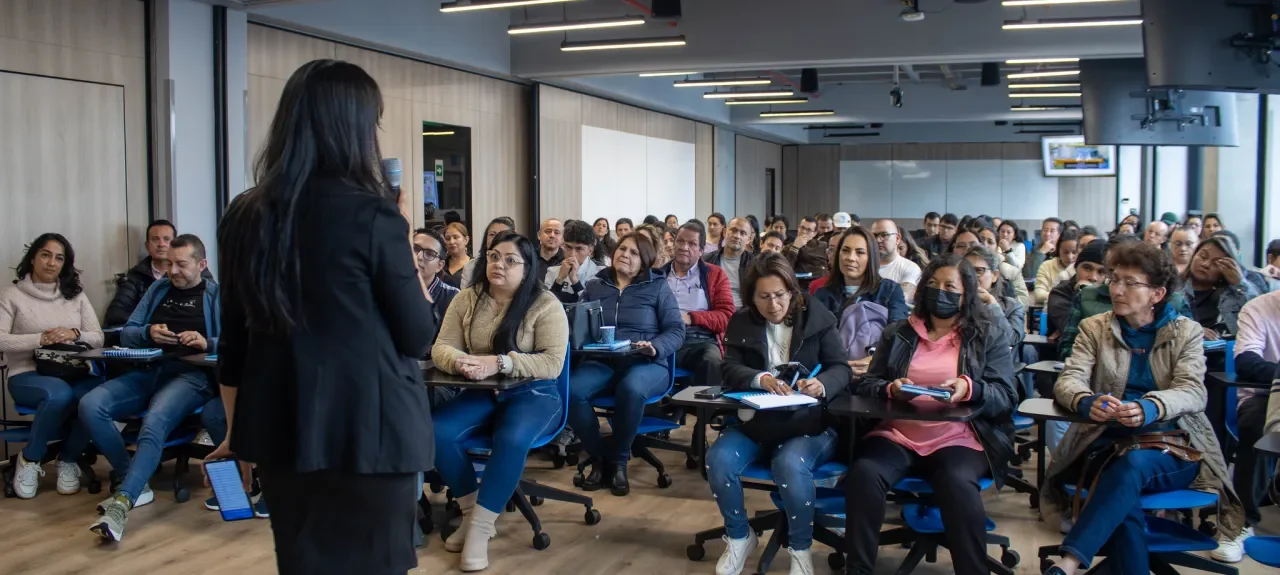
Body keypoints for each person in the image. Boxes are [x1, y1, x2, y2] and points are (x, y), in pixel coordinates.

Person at [211, 60, 435, 574]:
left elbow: (234, 345)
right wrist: (403, 239)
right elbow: (417, 335)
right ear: (354, 128)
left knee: (303, 563)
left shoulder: (245, 215)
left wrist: (233, 434)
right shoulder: (373, 215)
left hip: (280, 428)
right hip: (370, 431)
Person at [1041, 242, 1244, 575]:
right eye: (1114, 279)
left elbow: (1193, 391)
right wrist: (1088, 401)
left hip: (1174, 448)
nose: (1116, 289)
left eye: (1130, 282)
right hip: (1104, 442)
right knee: (1123, 487)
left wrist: (1150, 407)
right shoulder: (1096, 328)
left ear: (1157, 293)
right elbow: (1069, 380)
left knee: (1129, 467)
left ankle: (1069, 562)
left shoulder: (1186, 332)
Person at [846, 253, 1018, 575]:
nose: (941, 291)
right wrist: (890, 389)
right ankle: (857, 570)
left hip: (961, 437)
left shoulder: (987, 334)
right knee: (865, 472)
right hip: (898, 433)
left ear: (966, 293)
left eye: (950, 286)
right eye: (933, 284)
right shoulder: (899, 332)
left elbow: (1007, 395)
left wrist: (970, 388)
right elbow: (868, 383)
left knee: (956, 480)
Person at [707, 253, 852, 575]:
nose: (773, 304)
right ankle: (739, 536)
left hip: (810, 425)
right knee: (718, 459)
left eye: (780, 295)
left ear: (792, 292)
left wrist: (822, 383)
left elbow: (840, 368)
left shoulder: (818, 316)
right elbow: (729, 368)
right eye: (764, 297)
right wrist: (763, 379)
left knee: (789, 464)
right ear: (751, 298)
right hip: (758, 422)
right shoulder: (743, 320)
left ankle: (800, 549)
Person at [431, 232, 569, 572]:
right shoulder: (468, 298)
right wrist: (461, 362)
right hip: (482, 393)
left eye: (510, 260)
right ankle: (470, 510)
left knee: (510, 438)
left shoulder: (545, 303)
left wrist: (502, 362)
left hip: (535, 394)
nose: (499, 265)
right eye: (494, 256)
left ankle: (479, 530)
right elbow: (441, 347)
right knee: (436, 431)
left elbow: (552, 363)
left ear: (527, 267)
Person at [80, 234, 220, 541]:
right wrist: (148, 331)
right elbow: (126, 332)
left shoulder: (214, 295)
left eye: (182, 264)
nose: (174, 270)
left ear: (202, 264)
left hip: (191, 376)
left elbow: (237, 343)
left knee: (154, 421)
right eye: (170, 263)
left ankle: (122, 502)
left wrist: (206, 342)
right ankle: (135, 481)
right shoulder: (158, 289)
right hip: (148, 370)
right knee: (91, 405)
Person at [568, 234, 684, 496]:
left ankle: (619, 461)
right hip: (602, 360)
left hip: (646, 361)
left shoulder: (657, 287)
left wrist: (656, 347)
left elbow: (676, 331)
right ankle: (600, 457)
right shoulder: (596, 285)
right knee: (572, 392)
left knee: (631, 389)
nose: (625, 255)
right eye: (622, 249)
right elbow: (580, 327)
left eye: (634, 253)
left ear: (644, 262)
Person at [1, 233, 104, 499]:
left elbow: (97, 336)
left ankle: (68, 459)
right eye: (45, 255)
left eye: (59, 258)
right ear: (33, 257)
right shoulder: (11, 295)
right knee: (58, 394)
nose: (51, 262)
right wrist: (41, 339)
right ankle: (31, 459)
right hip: (26, 373)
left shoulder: (75, 295)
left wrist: (74, 333)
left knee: (96, 398)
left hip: (72, 370)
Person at [1211, 290, 1280, 561]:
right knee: (1256, 425)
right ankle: (1239, 524)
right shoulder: (1259, 307)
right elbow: (1247, 361)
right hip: (1263, 395)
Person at [812, 227, 910, 363]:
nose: (850, 258)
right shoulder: (822, 294)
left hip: (878, 367)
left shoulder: (890, 290)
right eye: (845, 250)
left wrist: (873, 360)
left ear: (871, 257)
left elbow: (898, 334)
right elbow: (815, 341)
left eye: (860, 252)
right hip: (834, 369)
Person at [662, 222, 734, 389]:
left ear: (702, 250)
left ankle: (707, 413)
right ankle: (658, 411)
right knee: (642, 360)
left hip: (699, 341)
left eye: (692, 244)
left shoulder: (715, 274)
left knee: (711, 360)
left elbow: (726, 316)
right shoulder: (659, 275)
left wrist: (691, 317)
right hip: (664, 338)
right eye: (680, 241)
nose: (684, 247)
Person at [104, 220, 212, 326]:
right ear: (147, 246)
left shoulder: (200, 274)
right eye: (155, 239)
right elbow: (115, 314)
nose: (161, 244)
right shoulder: (136, 275)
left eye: (167, 239)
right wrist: (150, 326)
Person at [1182, 235, 1259, 339]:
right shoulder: (1173, 288)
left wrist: (1239, 283)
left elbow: (1259, 316)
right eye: (1203, 256)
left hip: (1224, 352)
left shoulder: (1232, 293)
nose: (1206, 264)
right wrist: (1190, 330)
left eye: (1216, 263)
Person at [965, 246, 1025, 348]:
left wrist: (992, 305)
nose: (972, 276)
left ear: (995, 276)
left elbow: (1011, 340)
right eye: (967, 270)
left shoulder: (1012, 306)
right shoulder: (957, 302)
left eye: (979, 270)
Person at [1046, 240, 1107, 340]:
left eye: (1101, 272)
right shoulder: (1060, 293)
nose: (1093, 277)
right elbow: (1075, 331)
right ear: (1076, 267)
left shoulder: (1111, 294)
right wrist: (1084, 292)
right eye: (1087, 268)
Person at [414, 228, 461, 346]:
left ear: (440, 266)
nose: (419, 257)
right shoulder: (388, 290)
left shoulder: (454, 297)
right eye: (415, 249)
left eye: (429, 254)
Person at [545, 219, 603, 302]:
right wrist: (559, 279)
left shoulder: (601, 273)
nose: (572, 254)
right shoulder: (552, 271)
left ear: (590, 250)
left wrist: (575, 281)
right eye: (568, 247)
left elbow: (596, 307)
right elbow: (546, 306)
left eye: (579, 248)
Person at [704, 217, 756, 308]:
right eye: (733, 230)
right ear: (724, 232)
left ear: (749, 239)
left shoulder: (755, 264)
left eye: (742, 233)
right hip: (714, 312)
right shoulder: (707, 260)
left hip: (744, 314)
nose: (737, 236)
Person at [976, 225, 1031, 308]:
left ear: (997, 247)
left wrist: (999, 305)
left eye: (990, 242)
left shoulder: (1011, 271)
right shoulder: (964, 267)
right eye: (981, 240)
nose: (985, 245)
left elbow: (1023, 300)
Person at [872, 219, 922, 303]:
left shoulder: (910, 268)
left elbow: (903, 298)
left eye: (884, 235)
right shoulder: (864, 265)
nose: (878, 240)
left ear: (897, 239)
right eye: (874, 236)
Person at [461, 217, 516, 289]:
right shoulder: (471, 266)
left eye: (503, 234)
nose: (497, 238)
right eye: (492, 234)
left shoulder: (518, 264)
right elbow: (464, 297)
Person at [1034, 231, 1079, 305]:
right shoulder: (1046, 266)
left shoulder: (1082, 269)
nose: (1070, 257)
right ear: (1058, 250)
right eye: (1066, 252)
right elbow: (1039, 295)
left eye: (1074, 252)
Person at [440, 222, 472, 288]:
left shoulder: (474, 265)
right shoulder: (440, 265)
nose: (451, 242)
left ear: (466, 240)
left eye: (455, 237)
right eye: (448, 238)